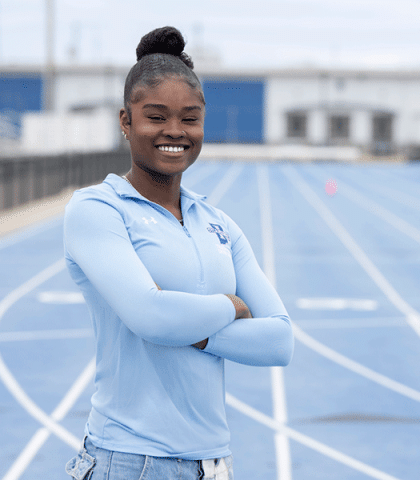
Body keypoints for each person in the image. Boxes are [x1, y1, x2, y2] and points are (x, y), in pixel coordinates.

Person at [64, 26, 294, 480]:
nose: (175, 131)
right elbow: (151, 317)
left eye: (189, 118)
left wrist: (188, 328)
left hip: (213, 464)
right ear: (125, 122)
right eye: (156, 117)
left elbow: (279, 340)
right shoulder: (97, 210)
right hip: (129, 460)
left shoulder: (218, 224)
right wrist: (229, 307)